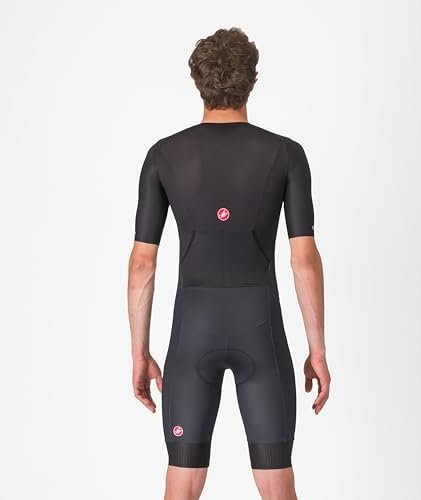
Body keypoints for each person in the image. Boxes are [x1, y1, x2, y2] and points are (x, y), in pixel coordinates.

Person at [127, 27, 330, 500]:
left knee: (181, 484)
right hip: (260, 330)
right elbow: (304, 259)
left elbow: (142, 265)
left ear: (198, 81)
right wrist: (317, 349)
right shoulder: (285, 155)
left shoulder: (163, 156)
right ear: (251, 80)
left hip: (191, 334)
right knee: (278, 485)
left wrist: (140, 352)